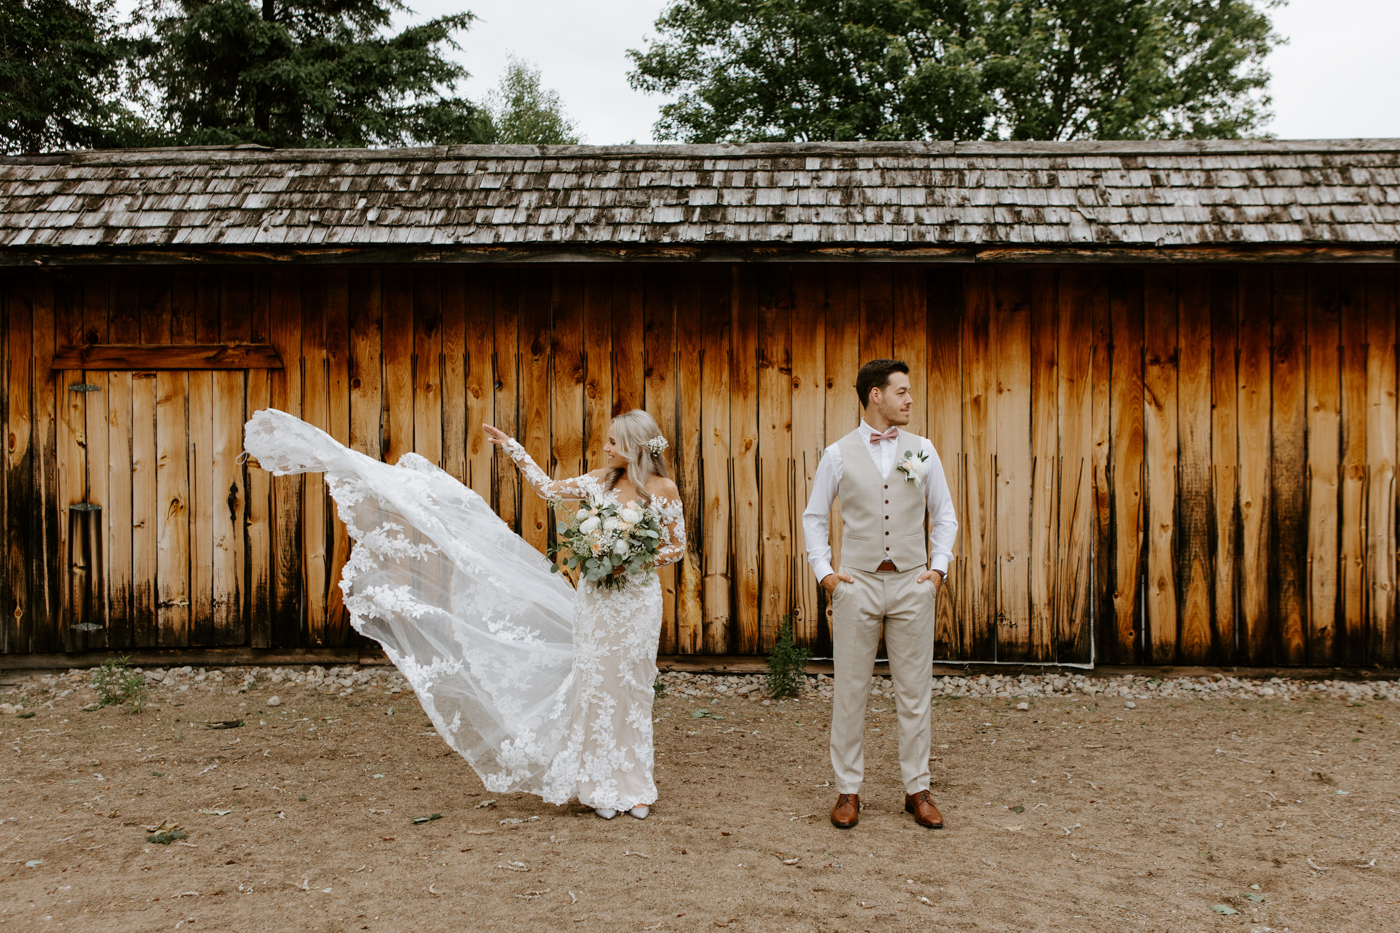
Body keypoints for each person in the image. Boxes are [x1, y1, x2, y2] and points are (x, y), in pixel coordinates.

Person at [242, 407, 683, 821]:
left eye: (612, 443)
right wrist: (515, 450)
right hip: (596, 601)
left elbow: (676, 547)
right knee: (596, 688)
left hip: (635, 602)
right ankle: (599, 788)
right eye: (606, 442)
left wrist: (631, 559)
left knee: (631, 687)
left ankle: (636, 786)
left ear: (636, 446)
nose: (605, 449)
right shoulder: (601, 483)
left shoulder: (661, 491)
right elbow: (549, 491)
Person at [801, 359, 958, 830]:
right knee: (850, 691)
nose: (910, 400)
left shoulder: (923, 450)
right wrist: (826, 574)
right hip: (857, 584)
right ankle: (848, 791)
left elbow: (944, 515)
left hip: (912, 583)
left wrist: (937, 570)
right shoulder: (838, 453)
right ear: (875, 395)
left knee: (915, 692)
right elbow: (814, 517)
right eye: (902, 392)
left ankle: (918, 789)